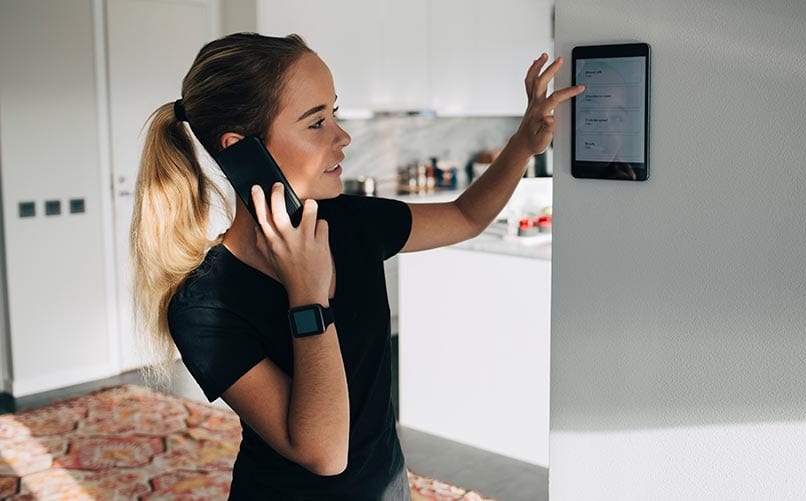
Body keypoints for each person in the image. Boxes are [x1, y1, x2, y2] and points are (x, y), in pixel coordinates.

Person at [130, 32, 583, 500]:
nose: (343, 136)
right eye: (316, 122)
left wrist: (522, 145)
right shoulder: (203, 306)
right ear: (241, 151)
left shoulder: (350, 223)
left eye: (335, 114)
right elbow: (325, 452)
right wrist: (307, 297)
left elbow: (464, 217)